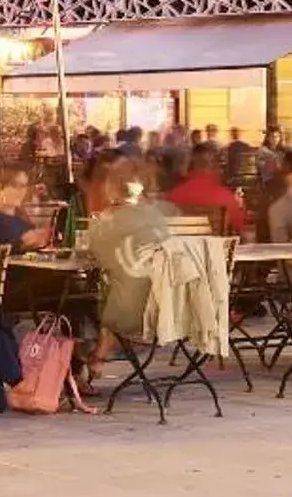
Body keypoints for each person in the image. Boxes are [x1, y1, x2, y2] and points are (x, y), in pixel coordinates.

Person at [80, 153, 172, 355]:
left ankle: (95, 358)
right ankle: (98, 357)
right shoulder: (156, 215)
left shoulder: (114, 220)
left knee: (91, 297)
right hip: (169, 304)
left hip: (132, 311)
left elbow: (96, 254)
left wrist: (101, 222)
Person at [162, 146, 249, 236]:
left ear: (190, 166)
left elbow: (163, 229)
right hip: (216, 248)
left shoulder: (172, 197)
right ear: (214, 166)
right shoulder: (226, 197)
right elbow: (238, 227)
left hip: (181, 248)